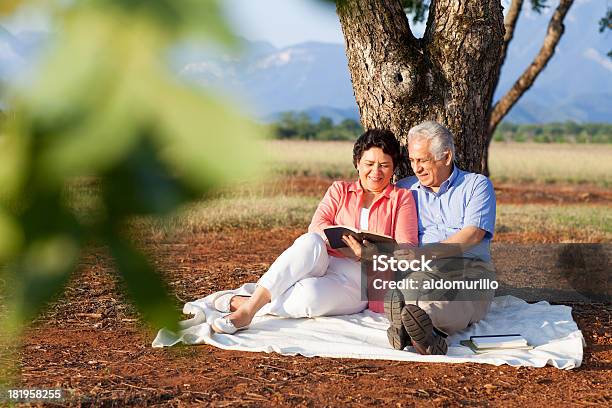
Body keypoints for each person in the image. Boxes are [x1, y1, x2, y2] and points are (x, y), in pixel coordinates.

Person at [211, 129, 419, 334]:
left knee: (309, 298)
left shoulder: (401, 198)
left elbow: (407, 249)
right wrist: (347, 246)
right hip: (324, 258)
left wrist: (372, 255)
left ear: (393, 169)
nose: (376, 171)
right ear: (357, 163)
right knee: (310, 240)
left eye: (384, 165)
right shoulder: (340, 190)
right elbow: (317, 225)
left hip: (363, 278)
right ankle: (248, 310)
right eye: (369, 164)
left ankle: (242, 302)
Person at [384, 121, 496, 355]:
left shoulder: (476, 185)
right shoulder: (405, 190)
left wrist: (426, 252)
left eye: (423, 160)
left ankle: (415, 326)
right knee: (408, 291)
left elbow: (473, 234)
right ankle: (416, 327)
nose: (416, 168)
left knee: (455, 300)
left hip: (469, 269)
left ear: (445, 157)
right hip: (423, 271)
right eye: (413, 161)